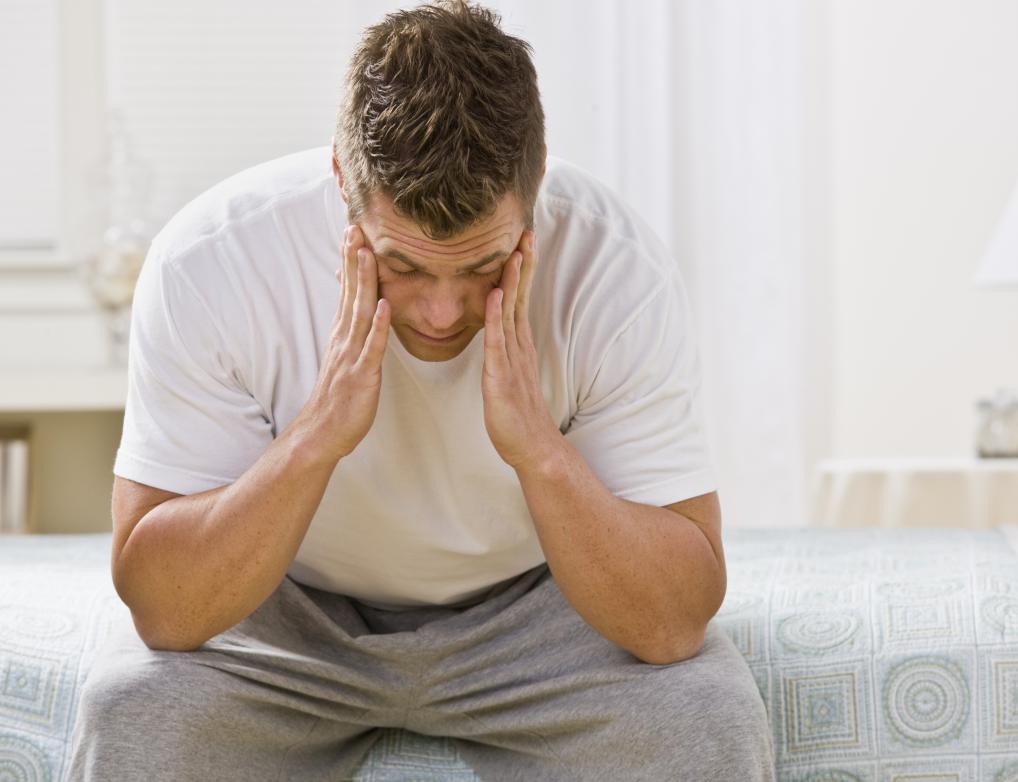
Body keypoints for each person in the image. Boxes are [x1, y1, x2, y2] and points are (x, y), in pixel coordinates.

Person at [64, 2, 774, 780]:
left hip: (542, 606)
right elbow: (163, 609)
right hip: (285, 611)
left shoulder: (616, 269)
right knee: (134, 712)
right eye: (401, 266)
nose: (442, 312)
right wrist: (316, 436)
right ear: (342, 178)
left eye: (482, 267)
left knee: (706, 718)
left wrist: (538, 450)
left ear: (535, 184)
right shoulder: (210, 261)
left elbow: (674, 622)